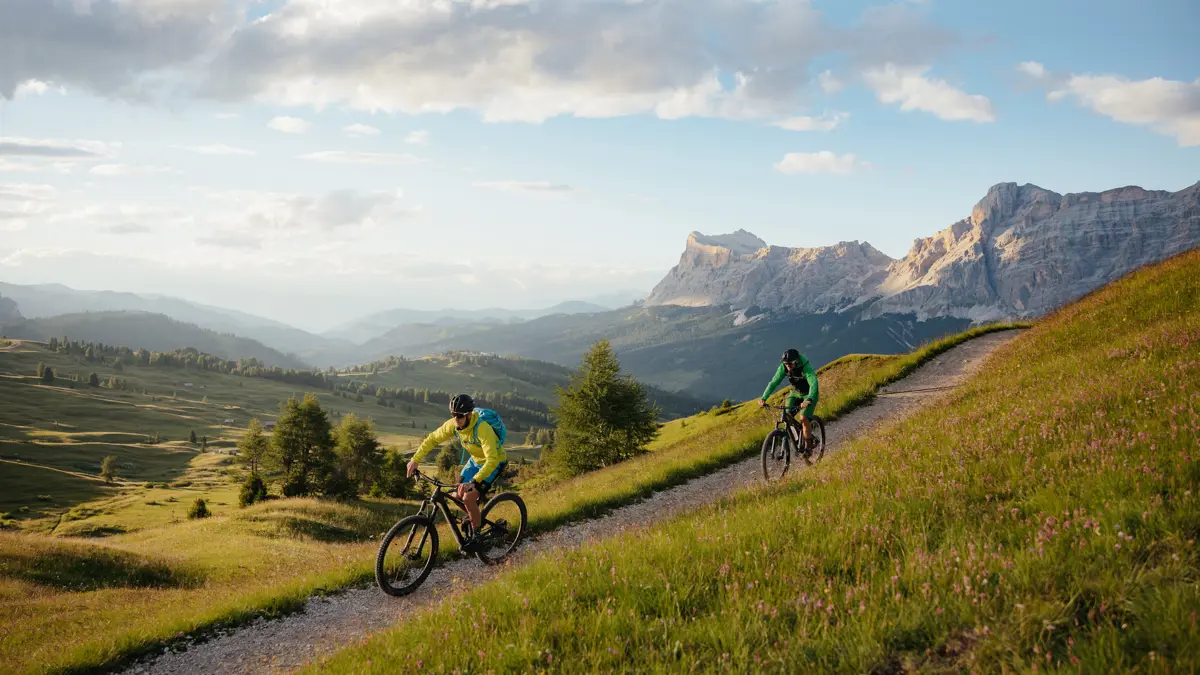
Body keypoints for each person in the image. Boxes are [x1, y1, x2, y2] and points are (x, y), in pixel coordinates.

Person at [407, 393, 508, 551]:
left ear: (469, 414)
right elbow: (433, 438)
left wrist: (474, 482)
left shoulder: (482, 428)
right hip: (475, 461)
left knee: (468, 497)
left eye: (460, 415)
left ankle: (477, 536)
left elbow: (492, 459)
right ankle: (475, 517)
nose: (456, 418)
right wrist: (415, 459)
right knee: (455, 496)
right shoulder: (453, 425)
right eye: (453, 414)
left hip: (493, 462)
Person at [758, 348, 820, 450]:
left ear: (797, 361)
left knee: (803, 417)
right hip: (795, 393)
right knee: (787, 416)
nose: (787, 366)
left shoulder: (805, 366)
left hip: (808, 395)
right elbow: (774, 382)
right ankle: (797, 439)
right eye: (786, 363)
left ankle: (809, 444)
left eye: (790, 364)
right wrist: (764, 397)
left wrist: (809, 399)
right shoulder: (784, 367)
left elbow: (813, 382)